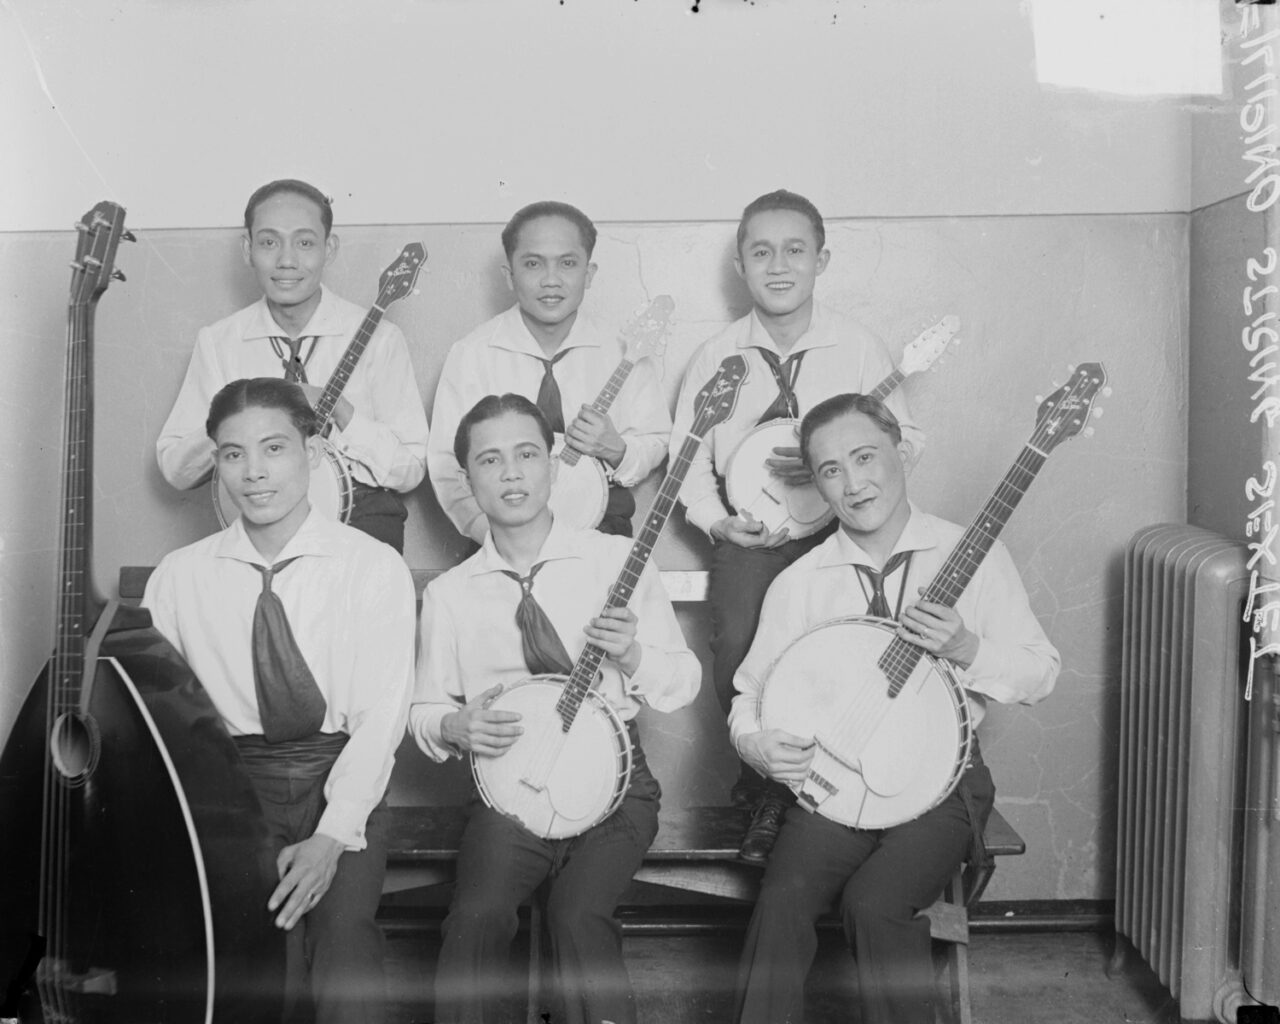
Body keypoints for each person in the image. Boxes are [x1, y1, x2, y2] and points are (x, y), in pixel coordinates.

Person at [728, 393, 1060, 1024]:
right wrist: (756, 745)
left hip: (940, 785)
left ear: (901, 453)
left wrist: (967, 647)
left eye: (865, 457)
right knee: (782, 901)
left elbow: (1040, 673)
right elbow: (748, 694)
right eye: (830, 470)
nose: (853, 484)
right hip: (837, 778)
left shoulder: (973, 553)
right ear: (816, 486)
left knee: (873, 904)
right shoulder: (800, 581)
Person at [409, 393, 700, 1024]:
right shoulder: (451, 594)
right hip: (509, 792)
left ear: (552, 465)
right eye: (490, 460)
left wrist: (633, 657)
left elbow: (681, 682)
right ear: (468, 478)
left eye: (526, 455)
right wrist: (452, 725)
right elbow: (424, 708)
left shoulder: (615, 560)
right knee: (477, 916)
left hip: (617, 791)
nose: (511, 474)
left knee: (577, 912)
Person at [144, 377, 415, 1024]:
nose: (254, 473)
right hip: (232, 791)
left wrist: (330, 837)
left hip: (341, 780)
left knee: (343, 950)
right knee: (261, 965)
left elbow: (380, 723)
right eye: (233, 454)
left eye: (274, 448)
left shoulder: (372, 567)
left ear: (312, 453)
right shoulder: (179, 579)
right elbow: (167, 729)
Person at [670, 189, 926, 861]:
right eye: (761, 251)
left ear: (821, 260)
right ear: (739, 264)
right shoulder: (716, 357)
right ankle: (764, 795)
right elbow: (688, 461)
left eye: (794, 250)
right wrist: (719, 523)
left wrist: (837, 470)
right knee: (744, 640)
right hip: (753, 541)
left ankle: (848, 782)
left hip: (843, 534)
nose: (778, 265)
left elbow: (910, 440)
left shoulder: (860, 349)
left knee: (845, 649)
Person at [156, 178, 429, 553]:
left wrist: (344, 414)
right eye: (269, 242)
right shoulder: (220, 342)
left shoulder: (381, 339)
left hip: (362, 541)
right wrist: (238, 421)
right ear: (247, 249)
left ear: (329, 249)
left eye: (304, 243)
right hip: (255, 538)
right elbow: (175, 469)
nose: (287, 260)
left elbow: (411, 469)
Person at [427, 201, 671, 541]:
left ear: (589, 274)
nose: (551, 280)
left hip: (602, 526)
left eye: (568, 263)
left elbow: (656, 439)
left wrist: (616, 449)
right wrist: (490, 535)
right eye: (532, 264)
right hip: (500, 528)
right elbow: (446, 464)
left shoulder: (623, 352)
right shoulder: (472, 354)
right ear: (509, 275)